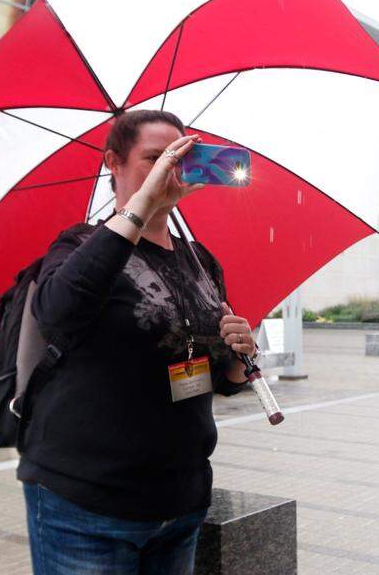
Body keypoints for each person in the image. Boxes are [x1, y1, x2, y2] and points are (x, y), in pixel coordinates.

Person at [20, 110, 256, 575]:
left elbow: (217, 376)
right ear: (114, 161)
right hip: (86, 507)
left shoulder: (197, 257)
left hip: (180, 500)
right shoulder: (80, 245)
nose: (170, 171)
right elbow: (57, 311)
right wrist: (141, 207)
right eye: (156, 158)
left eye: (179, 159)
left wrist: (237, 353)